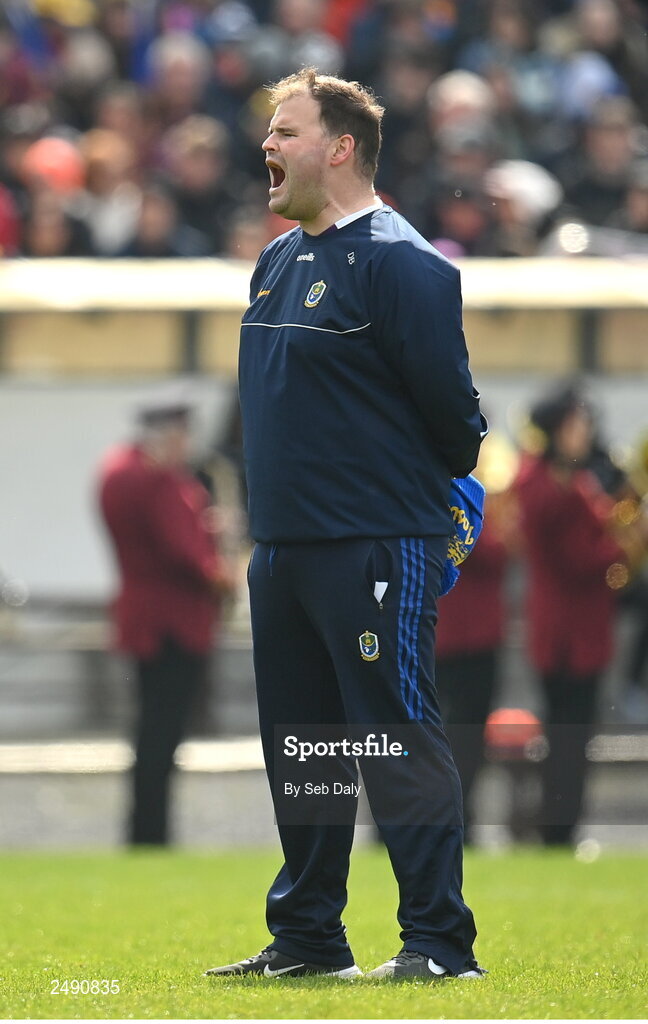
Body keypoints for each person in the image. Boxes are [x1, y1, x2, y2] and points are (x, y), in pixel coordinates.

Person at [205, 67, 487, 981]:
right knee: (308, 752)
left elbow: (456, 423)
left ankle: (439, 945)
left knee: (395, 739)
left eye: (285, 131)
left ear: (339, 147)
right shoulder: (278, 259)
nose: (267, 147)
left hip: (374, 545)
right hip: (282, 551)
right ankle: (310, 939)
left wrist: (425, 503)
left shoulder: (404, 263)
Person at [98, 394, 235, 845]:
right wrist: (221, 573)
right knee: (162, 732)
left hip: (145, 616)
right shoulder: (156, 480)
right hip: (172, 621)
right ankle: (151, 833)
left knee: (152, 728)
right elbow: (183, 553)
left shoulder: (118, 472)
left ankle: (146, 830)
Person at [514, 383, 627, 846]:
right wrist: (623, 544)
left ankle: (559, 827)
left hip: (571, 630)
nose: (585, 431)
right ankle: (558, 830)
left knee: (569, 735)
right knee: (567, 736)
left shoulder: (565, 480)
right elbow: (580, 558)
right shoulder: (549, 484)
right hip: (568, 634)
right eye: (577, 423)